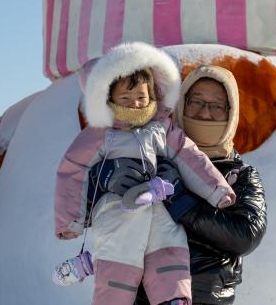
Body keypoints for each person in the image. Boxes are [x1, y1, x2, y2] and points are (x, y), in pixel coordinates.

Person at [54, 43, 236, 305]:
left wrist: (216, 189)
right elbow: (72, 169)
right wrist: (70, 219)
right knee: (118, 258)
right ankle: (102, 286)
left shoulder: (161, 128)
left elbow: (189, 156)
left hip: (158, 204)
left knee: (170, 248)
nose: (135, 105)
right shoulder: (101, 134)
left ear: (153, 94)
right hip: (119, 209)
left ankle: (175, 299)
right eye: (125, 99)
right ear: (109, 100)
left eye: (141, 97)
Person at [93, 65, 267, 305]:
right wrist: (103, 176)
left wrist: (181, 201)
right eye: (196, 101)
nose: (205, 113)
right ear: (182, 104)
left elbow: (245, 236)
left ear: (231, 113)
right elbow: (87, 204)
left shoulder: (240, 175)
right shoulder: (148, 154)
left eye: (216, 105)